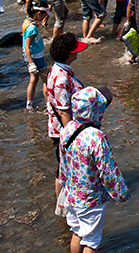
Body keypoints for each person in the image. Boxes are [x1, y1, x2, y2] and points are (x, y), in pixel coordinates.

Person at [59, 86, 130, 253]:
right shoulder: (96, 137)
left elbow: (62, 163)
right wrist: (121, 193)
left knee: (77, 233)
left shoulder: (67, 128)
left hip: (71, 194)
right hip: (90, 199)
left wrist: (63, 181)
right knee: (91, 241)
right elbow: (108, 171)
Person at [46, 33, 87, 195]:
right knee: (64, 169)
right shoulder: (62, 77)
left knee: (65, 167)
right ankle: (62, 206)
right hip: (64, 131)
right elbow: (63, 111)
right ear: (69, 54)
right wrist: (73, 137)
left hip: (61, 129)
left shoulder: (57, 69)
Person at [22, 4, 52, 111]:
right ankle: (49, 105)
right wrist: (31, 63)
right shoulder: (32, 28)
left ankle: (29, 105)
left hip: (33, 57)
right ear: (39, 13)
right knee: (47, 79)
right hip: (35, 58)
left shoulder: (27, 22)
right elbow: (27, 46)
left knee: (33, 80)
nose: (44, 18)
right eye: (44, 16)